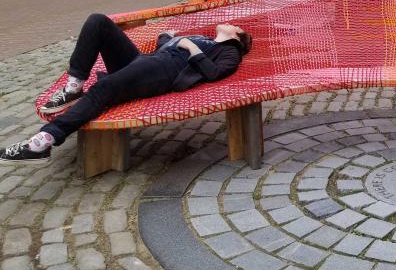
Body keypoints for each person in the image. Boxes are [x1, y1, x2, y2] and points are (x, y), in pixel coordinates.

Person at [0, 13, 252, 166]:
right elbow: (165, 44)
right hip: (144, 61)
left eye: (235, 27)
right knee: (98, 21)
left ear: (238, 37)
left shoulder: (230, 51)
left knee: (105, 87)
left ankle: (43, 141)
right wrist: (170, 36)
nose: (230, 23)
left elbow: (214, 73)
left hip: (162, 72)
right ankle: (74, 85)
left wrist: (189, 46)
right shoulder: (206, 38)